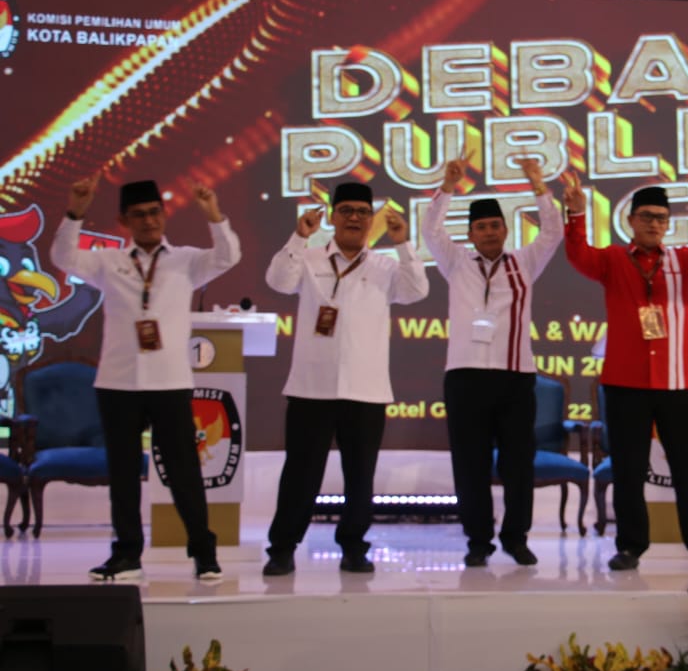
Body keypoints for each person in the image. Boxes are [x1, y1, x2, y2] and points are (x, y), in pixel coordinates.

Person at [51, 173, 240, 581]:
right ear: (124, 221)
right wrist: (75, 213)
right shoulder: (108, 262)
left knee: (184, 471)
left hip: (169, 382)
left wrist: (214, 215)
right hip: (117, 383)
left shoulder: (186, 261)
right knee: (123, 474)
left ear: (164, 214)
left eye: (155, 212)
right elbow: (63, 258)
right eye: (139, 215)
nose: (149, 221)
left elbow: (228, 257)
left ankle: (204, 554)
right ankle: (127, 555)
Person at [563, 174, 688, 571]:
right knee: (629, 469)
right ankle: (631, 546)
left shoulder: (682, 262)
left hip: (677, 382)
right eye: (647, 216)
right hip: (625, 383)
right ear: (631, 220)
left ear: (668, 224)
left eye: (661, 218)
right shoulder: (613, 260)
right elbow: (578, 256)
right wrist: (576, 214)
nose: (654, 223)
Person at [262, 182, 429, 576]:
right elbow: (278, 281)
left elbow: (417, 291)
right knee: (300, 474)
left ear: (372, 220)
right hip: (311, 386)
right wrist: (299, 236)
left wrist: (403, 244)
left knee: (360, 475)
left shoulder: (386, 267)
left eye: (362, 212)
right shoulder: (308, 258)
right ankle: (282, 548)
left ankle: (354, 547)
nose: (355, 218)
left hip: (365, 389)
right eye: (347, 211)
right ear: (333, 217)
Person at [423, 153, 564, 567]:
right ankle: (478, 540)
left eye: (494, 226)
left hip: (515, 376)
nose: (488, 232)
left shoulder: (525, 261)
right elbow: (430, 229)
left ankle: (516, 538)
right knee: (470, 463)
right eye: (481, 227)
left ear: (506, 229)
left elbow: (553, 231)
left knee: (519, 463)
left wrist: (537, 182)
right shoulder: (455, 262)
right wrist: (447, 186)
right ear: (470, 234)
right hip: (465, 376)